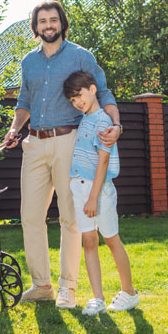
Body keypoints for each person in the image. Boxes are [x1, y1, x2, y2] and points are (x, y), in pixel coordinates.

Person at [3, 0, 122, 309]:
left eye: (53, 20)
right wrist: (15, 129)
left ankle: (68, 288)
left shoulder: (81, 56)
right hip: (35, 143)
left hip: (70, 141)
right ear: (35, 27)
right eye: (42, 21)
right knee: (30, 216)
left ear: (62, 23)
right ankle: (41, 285)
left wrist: (116, 124)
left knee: (70, 217)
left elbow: (104, 91)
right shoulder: (29, 61)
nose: (48, 25)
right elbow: (24, 100)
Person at [62, 70, 138, 315]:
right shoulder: (85, 120)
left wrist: (93, 197)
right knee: (89, 241)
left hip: (99, 191)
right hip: (80, 187)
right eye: (73, 101)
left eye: (79, 96)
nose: (77, 102)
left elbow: (103, 162)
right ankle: (98, 299)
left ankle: (129, 292)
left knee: (111, 239)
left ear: (92, 89)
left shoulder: (103, 121)